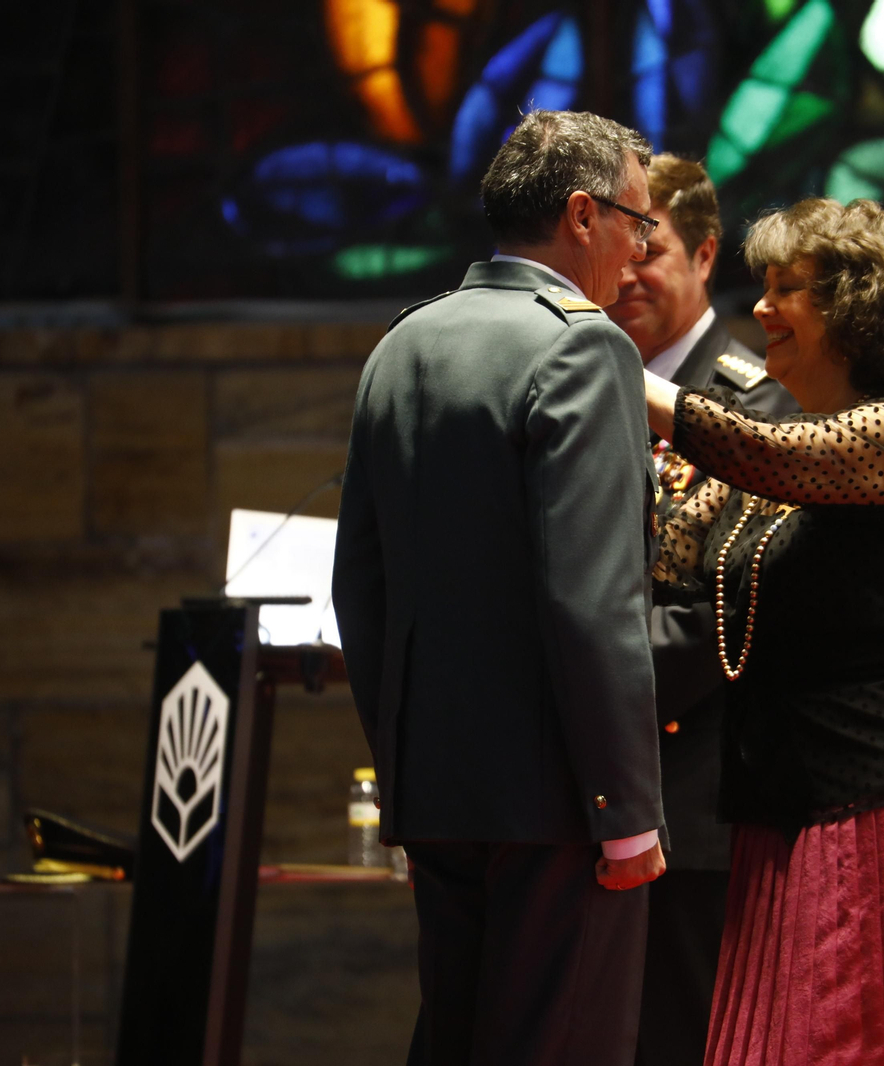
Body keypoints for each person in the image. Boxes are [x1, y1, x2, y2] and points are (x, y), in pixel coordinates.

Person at [332, 109, 667, 1066]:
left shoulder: (403, 345)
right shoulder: (583, 347)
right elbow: (593, 601)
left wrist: (406, 776)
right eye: (637, 223)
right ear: (582, 215)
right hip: (561, 804)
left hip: (437, 793)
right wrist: (624, 811)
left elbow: (360, 589)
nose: (642, 251)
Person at [644, 198, 884, 1066]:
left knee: (846, 1043)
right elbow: (672, 563)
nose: (760, 308)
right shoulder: (778, 448)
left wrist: (606, 363)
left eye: (785, 290)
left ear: (856, 308)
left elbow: (758, 454)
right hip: (781, 795)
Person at [604, 154, 797, 1066]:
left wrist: (568, 683)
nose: (627, 277)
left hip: (696, 798)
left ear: (707, 255)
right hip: (593, 791)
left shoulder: (759, 405)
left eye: (651, 253)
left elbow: (722, 616)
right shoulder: (582, 391)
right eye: (618, 255)